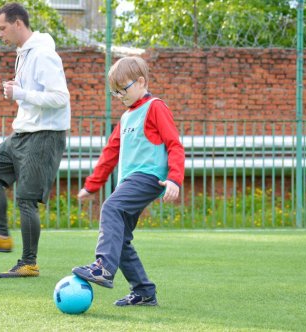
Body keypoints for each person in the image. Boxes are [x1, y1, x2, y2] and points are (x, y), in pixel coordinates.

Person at [0, 2, 70, 278]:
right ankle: (1, 234)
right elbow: (32, 94)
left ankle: (28, 263)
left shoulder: (44, 54)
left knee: (25, 199)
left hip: (45, 136)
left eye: (2, 28)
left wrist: (21, 94)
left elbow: (61, 98)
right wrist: (17, 90)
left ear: (18, 24)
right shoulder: (22, 53)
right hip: (23, 132)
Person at [72, 56, 185, 306]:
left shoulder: (156, 107)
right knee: (120, 239)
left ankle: (102, 266)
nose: (119, 95)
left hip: (148, 177)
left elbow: (174, 144)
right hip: (128, 182)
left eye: (122, 89)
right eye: (115, 92)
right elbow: (110, 153)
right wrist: (92, 185)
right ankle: (144, 291)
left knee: (111, 207)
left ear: (141, 82)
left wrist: (174, 179)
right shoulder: (125, 118)